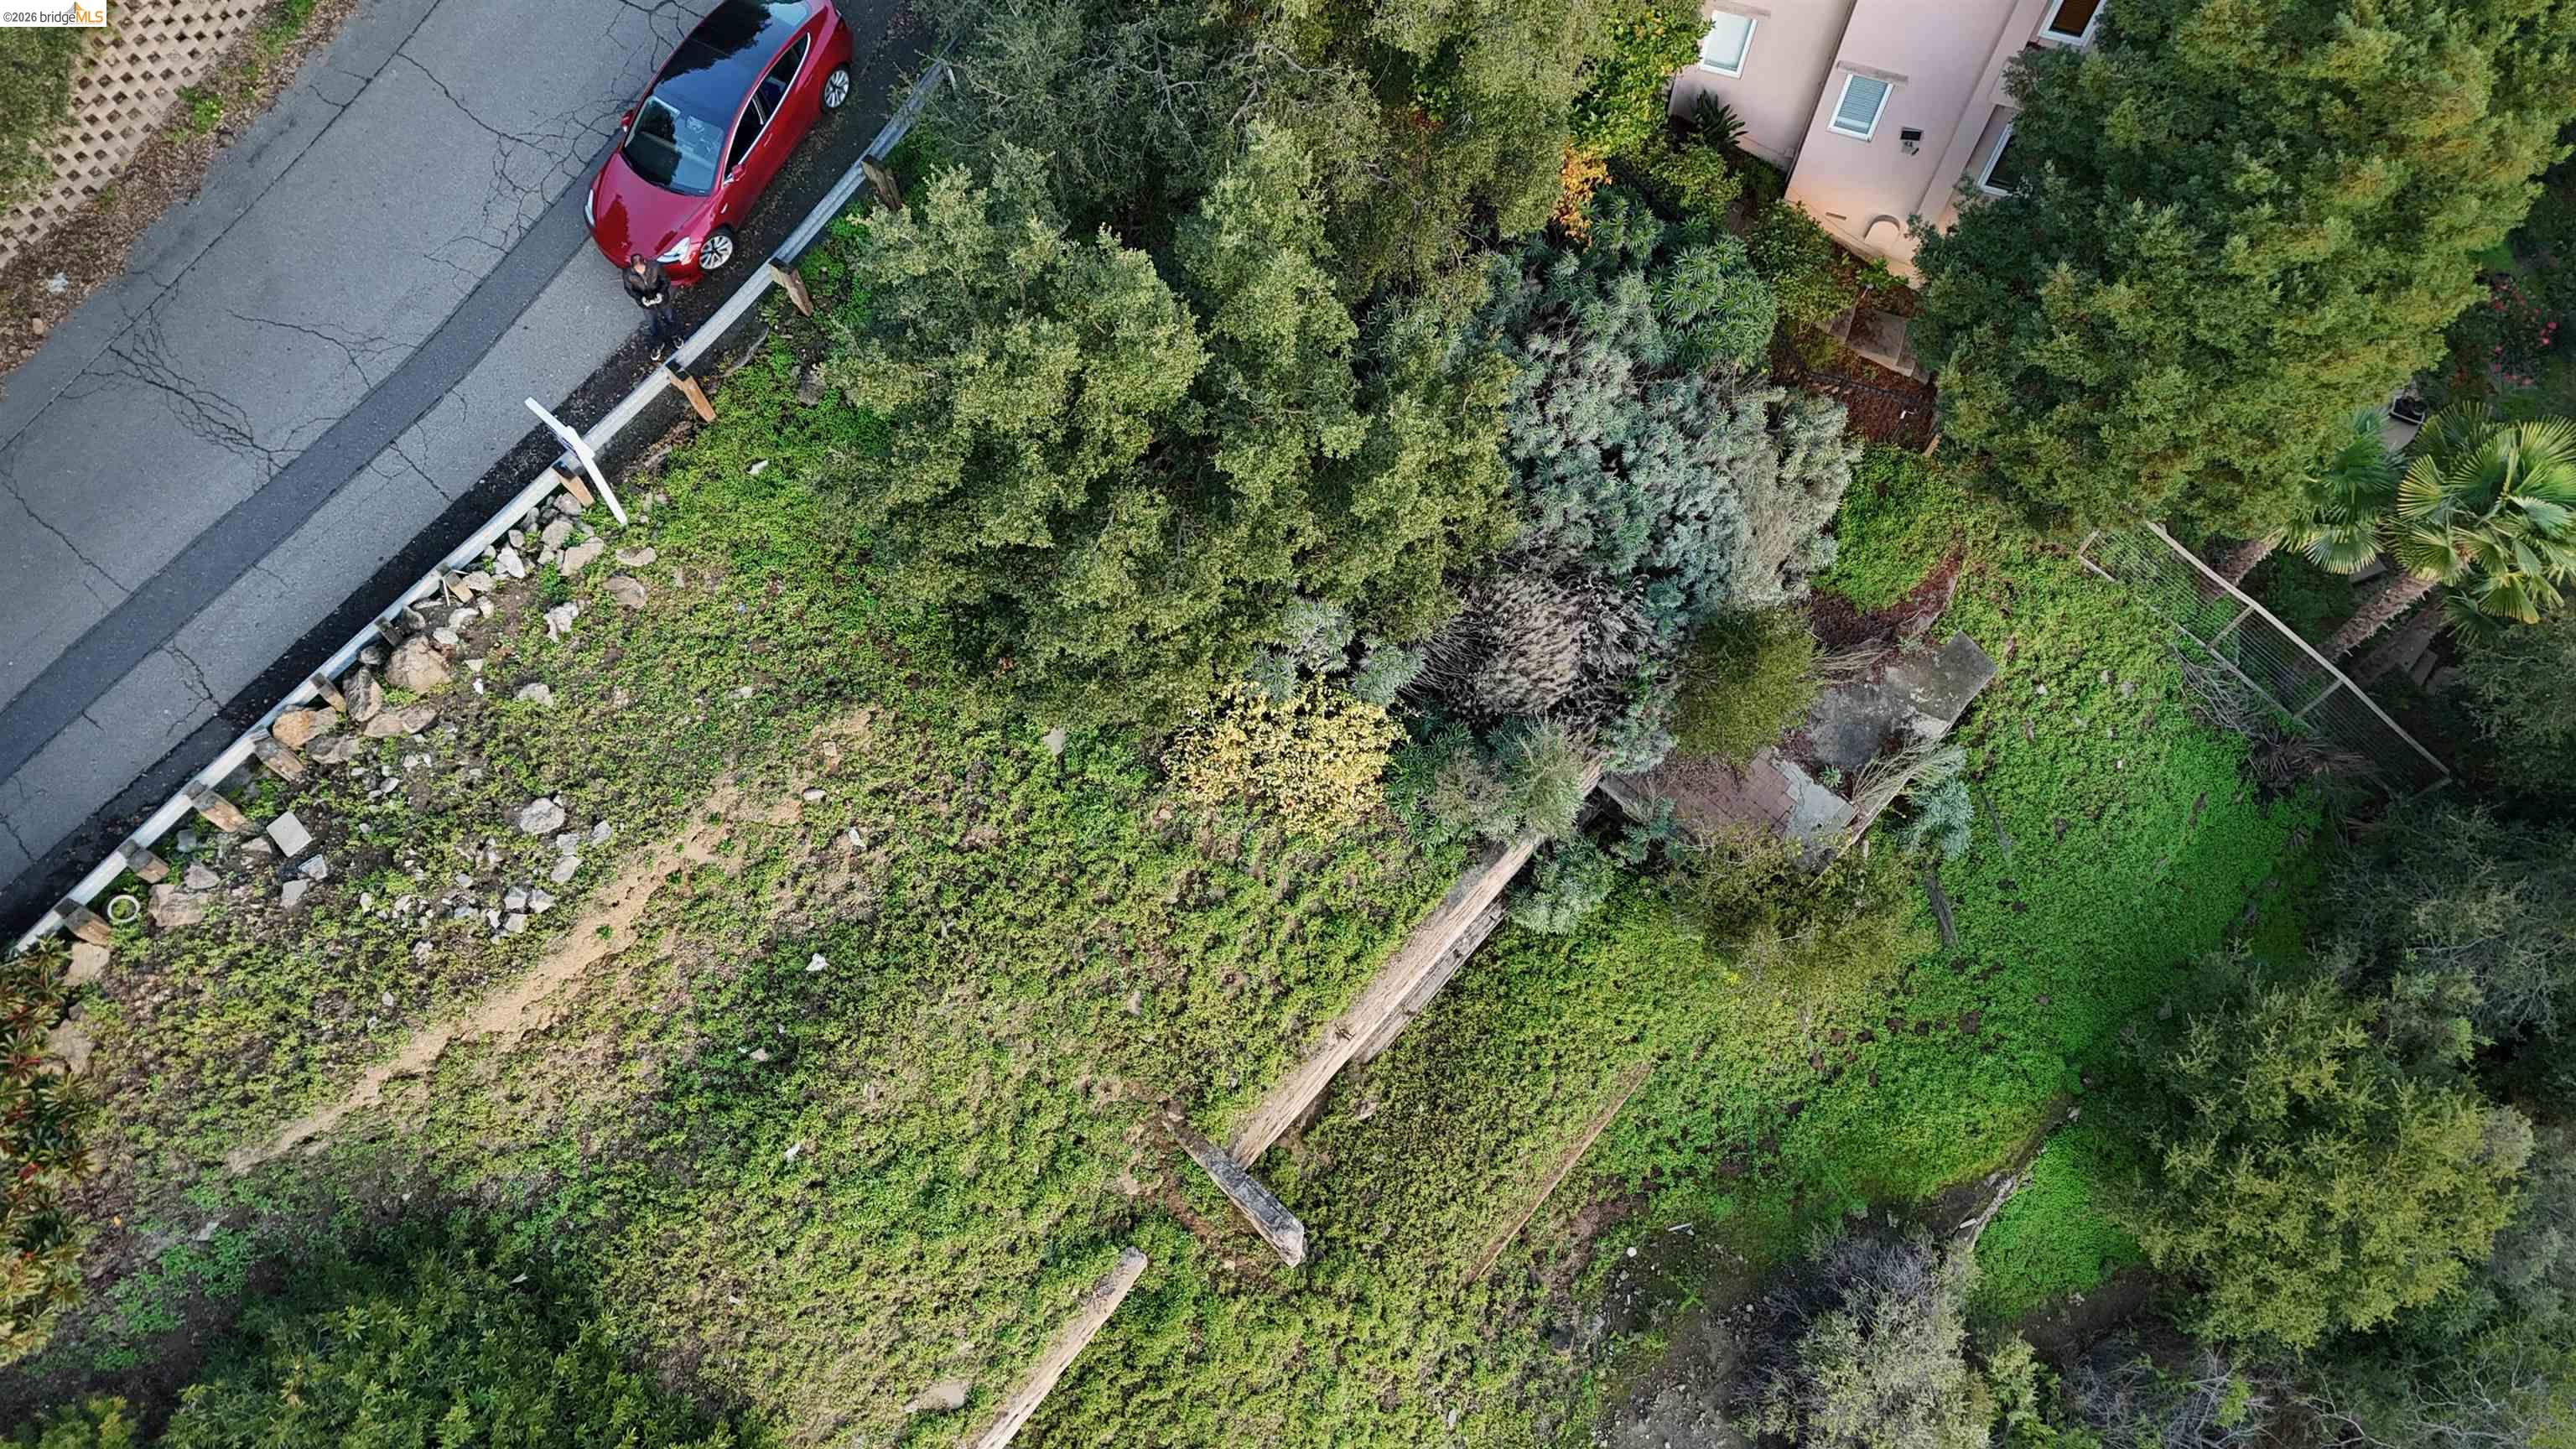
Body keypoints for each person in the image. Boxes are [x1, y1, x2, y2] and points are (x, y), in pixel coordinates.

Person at [624, 254, 677, 357]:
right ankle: (658, 344)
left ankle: (676, 335)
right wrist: (641, 298)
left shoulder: (655, 266)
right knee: (653, 323)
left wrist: (660, 293)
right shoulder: (627, 274)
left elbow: (665, 280)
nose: (641, 272)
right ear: (632, 267)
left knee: (670, 317)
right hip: (646, 303)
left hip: (661, 298)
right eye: (637, 270)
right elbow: (629, 289)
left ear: (645, 263)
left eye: (642, 269)